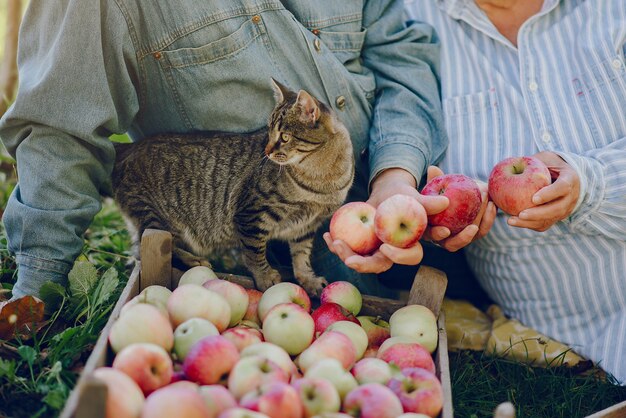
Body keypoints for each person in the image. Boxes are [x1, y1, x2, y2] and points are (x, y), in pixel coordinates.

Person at [0, 0, 481, 302]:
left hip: (407, 205)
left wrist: (394, 176)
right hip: (257, 273)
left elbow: (404, 59)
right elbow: (59, 128)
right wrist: (39, 287)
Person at [405, 0, 626, 384]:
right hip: (557, 330)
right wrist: (454, 207)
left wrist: (590, 182)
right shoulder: (414, 17)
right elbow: (405, 127)